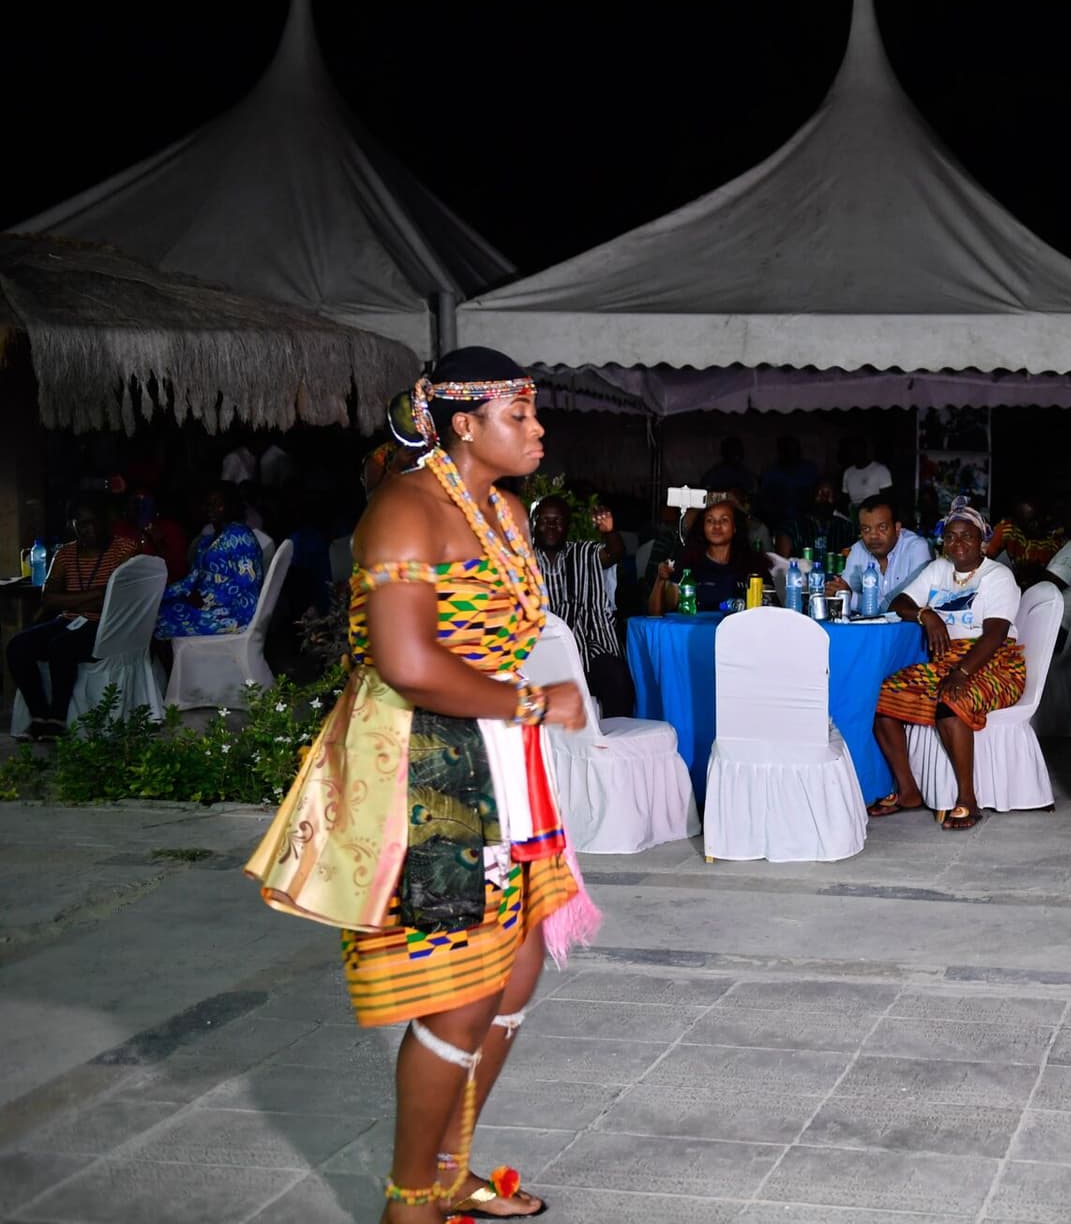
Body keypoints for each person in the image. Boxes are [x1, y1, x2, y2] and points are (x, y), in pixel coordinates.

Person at [243, 347, 595, 1224]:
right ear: (465, 425)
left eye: (535, 413)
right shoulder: (405, 511)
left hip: (501, 759)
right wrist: (532, 700)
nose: (538, 428)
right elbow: (405, 662)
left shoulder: (506, 509)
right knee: (461, 990)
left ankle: (451, 1170)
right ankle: (411, 1206)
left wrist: (524, 714)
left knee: (513, 977)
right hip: (425, 766)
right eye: (521, 415)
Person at [870, 501, 1027, 829]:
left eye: (966, 537)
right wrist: (926, 615)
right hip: (945, 662)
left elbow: (995, 635)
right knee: (881, 697)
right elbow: (900, 603)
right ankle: (909, 791)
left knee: (951, 699)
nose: (958, 544)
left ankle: (967, 799)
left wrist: (962, 673)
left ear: (982, 540)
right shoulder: (938, 570)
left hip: (994, 663)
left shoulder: (997, 576)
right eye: (951, 537)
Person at [7, 495, 140, 738]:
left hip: (105, 625)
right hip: (68, 620)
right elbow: (49, 598)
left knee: (62, 647)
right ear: (72, 525)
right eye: (81, 524)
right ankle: (39, 715)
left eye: (93, 522)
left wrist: (76, 597)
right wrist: (98, 593)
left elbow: (116, 600)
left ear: (105, 521)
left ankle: (57, 718)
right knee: (17, 646)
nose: (89, 529)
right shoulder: (65, 554)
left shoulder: (124, 549)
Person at [532, 494, 636, 718]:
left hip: (587, 648)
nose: (551, 526)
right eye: (544, 520)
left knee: (617, 676)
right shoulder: (522, 560)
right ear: (534, 524)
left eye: (558, 520)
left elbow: (615, 552)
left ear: (568, 526)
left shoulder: (583, 553)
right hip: (538, 652)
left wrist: (609, 531)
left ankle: (612, 744)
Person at [154, 483, 266, 639]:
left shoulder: (240, 536)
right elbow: (193, 578)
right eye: (208, 504)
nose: (211, 509)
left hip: (233, 613)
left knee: (161, 618)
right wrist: (163, 593)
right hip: (204, 602)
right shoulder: (207, 541)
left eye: (218, 504)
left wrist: (207, 600)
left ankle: (173, 661)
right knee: (155, 608)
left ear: (230, 505)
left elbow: (247, 585)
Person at [647, 495, 776, 614]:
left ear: (735, 527)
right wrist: (660, 580)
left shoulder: (753, 565)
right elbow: (656, 613)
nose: (716, 525)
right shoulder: (687, 562)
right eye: (710, 520)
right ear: (702, 527)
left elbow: (773, 611)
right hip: (694, 635)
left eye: (724, 520)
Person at [827, 493, 932, 608]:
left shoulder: (917, 548)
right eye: (866, 529)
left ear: (897, 528)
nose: (873, 536)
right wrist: (838, 591)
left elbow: (907, 605)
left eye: (882, 527)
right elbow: (844, 591)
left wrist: (851, 598)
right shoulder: (858, 550)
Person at [110, 486, 189, 582]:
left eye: (145, 502)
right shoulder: (119, 529)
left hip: (163, 588)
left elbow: (180, 571)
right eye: (135, 502)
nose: (140, 507)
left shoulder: (169, 529)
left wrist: (160, 543)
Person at [986, 500, 1066, 589]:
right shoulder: (1007, 530)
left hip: (1040, 588)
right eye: (1029, 521)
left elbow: (1057, 576)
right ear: (1017, 521)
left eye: (1037, 519)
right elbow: (985, 558)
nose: (1035, 524)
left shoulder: (1055, 536)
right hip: (1011, 585)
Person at [758, 435, 819, 537]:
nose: (790, 453)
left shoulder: (809, 469)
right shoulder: (772, 472)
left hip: (806, 521)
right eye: (786, 450)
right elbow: (764, 500)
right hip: (780, 522)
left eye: (793, 449)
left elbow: (816, 494)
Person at [779, 480, 857, 560]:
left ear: (836, 498)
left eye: (829, 493)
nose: (824, 497)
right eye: (819, 493)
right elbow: (782, 564)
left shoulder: (847, 528)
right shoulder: (793, 527)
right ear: (811, 496)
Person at [841, 437, 893, 508]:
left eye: (857, 449)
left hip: (874, 513)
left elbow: (886, 499)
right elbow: (845, 498)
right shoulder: (848, 472)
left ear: (864, 450)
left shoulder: (880, 470)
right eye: (851, 450)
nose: (854, 453)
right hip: (854, 514)